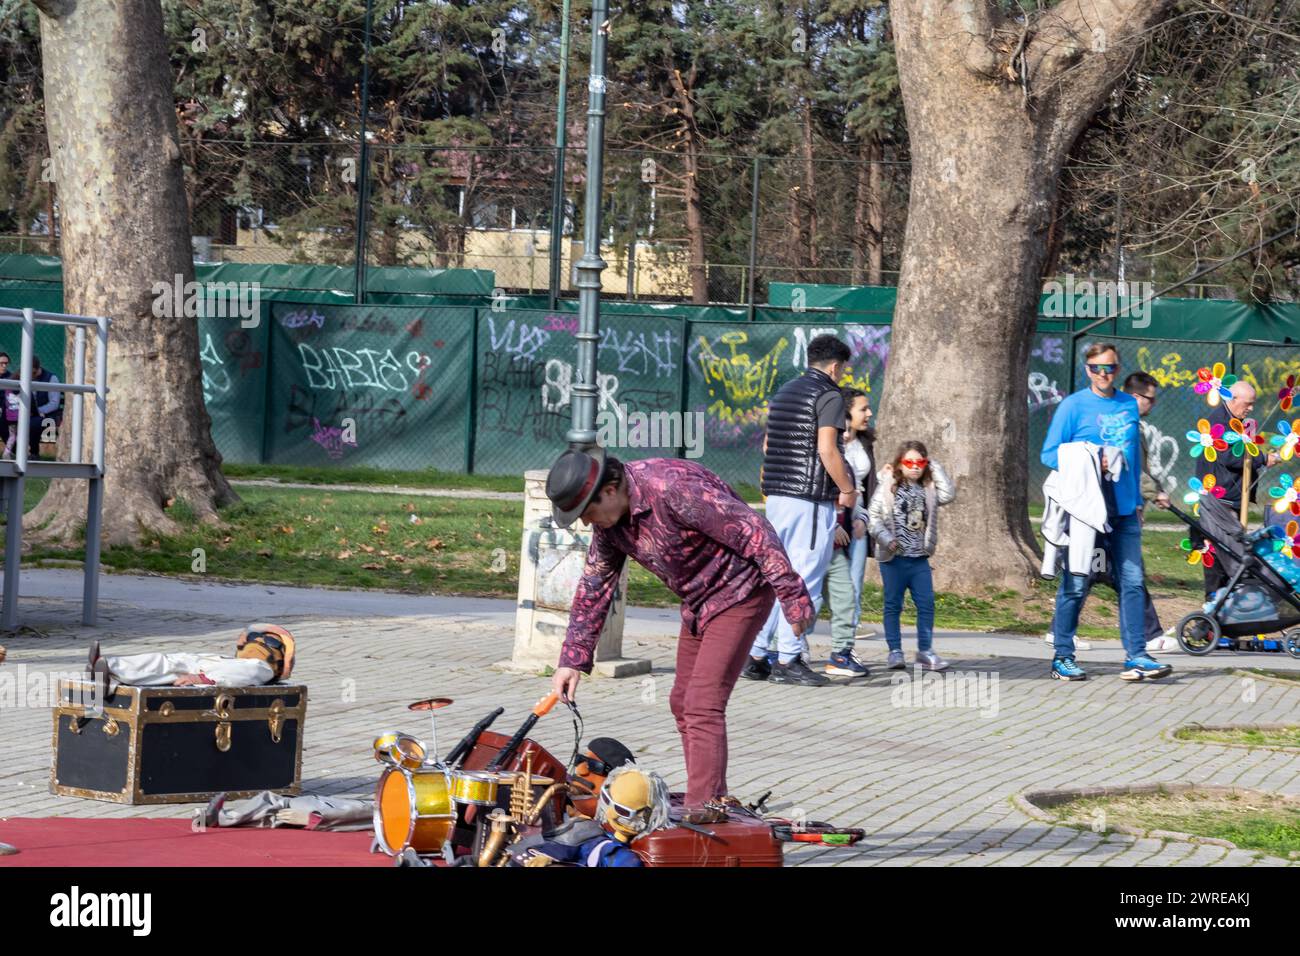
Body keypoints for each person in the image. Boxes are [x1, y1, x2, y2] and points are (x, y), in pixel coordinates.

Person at [546, 448, 814, 825]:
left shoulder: (673, 489)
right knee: (681, 701)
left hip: (741, 592)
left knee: (703, 703)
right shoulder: (610, 525)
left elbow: (755, 530)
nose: (588, 523)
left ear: (609, 490)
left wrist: (792, 594)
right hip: (699, 601)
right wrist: (572, 660)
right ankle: (710, 797)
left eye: (587, 513)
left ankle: (704, 809)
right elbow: (596, 584)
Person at [1040, 343, 1171, 682]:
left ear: (1117, 369)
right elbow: (1050, 454)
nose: (1103, 374)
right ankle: (1062, 656)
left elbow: (1134, 455)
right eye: (1097, 368)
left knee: (1131, 581)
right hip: (1086, 512)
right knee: (1076, 581)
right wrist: (1089, 461)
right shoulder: (1073, 406)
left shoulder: (1128, 403)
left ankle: (1137, 656)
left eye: (1110, 368)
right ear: (1087, 370)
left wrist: (1139, 500)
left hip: (1124, 510)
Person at [742, 334, 857, 687]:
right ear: (836, 367)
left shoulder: (784, 392)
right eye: (843, 370)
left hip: (778, 496)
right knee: (805, 579)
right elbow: (827, 449)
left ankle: (757, 655)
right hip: (809, 499)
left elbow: (767, 444)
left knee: (778, 577)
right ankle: (790, 658)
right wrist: (847, 489)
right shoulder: (829, 395)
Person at [868, 440, 956, 671]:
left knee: (926, 604)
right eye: (909, 462)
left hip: (919, 559)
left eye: (920, 462)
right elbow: (873, 518)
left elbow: (948, 494)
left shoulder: (929, 489)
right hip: (894, 559)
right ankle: (895, 651)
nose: (915, 467)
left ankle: (925, 651)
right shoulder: (888, 486)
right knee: (892, 605)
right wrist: (888, 540)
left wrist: (935, 466)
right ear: (899, 463)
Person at [1193, 379, 1277, 598]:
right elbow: (1229, 456)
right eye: (1247, 403)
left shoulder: (1237, 421)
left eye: (1253, 404)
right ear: (1233, 399)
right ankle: (1214, 605)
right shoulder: (1218, 422)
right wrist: (1263, 458)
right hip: (1219, 501)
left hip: (1233, 498)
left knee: (1232, 553)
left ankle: (1228, 604)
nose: (1250, 408)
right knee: (1221, 554)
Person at [823, 387, 874, 676]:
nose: (869, 414)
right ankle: (779, 653)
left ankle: (843, 652)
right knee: (808, 594)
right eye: (863, 409)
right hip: (829, 527)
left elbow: (863, 488)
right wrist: (832, 525)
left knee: (848, 592)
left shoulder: (863, 443)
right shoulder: (826, 446)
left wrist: (862, 519)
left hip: (855, 523)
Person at [89, 624, 297, 691]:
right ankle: (111, 669)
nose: (258, 643)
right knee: (166, 662)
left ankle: (113, 673)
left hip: (210, 675)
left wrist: (204, 679)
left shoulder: (262, 668)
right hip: (210, 664)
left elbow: (242, 674)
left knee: (170, 666)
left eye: (266, 641)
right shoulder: (237, 658)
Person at [29, 354, 63, 460]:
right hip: (30, 414)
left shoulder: (51, 378)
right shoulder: (25, 376)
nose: (31, 375)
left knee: (33, 423)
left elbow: (54, 403)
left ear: (39, 368)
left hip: (48, 416)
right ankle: (12, 453)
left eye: (33, 372)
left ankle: (34, 454)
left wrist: (38, 411)